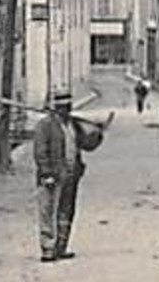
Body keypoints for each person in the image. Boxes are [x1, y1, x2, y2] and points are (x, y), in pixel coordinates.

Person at [32, 86, 106, 262]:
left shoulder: (73, 125)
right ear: (56, 107)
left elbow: (87, 145)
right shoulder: (45, 126)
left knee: (66, 211)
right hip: (52, 177)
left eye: (69, 106)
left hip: (71, 175)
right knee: (48, 211)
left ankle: (61, 247)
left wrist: (97, 133)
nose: (67, 109)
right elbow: (40, 152)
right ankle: (48, 249)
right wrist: (46, 173)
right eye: (63, 106)